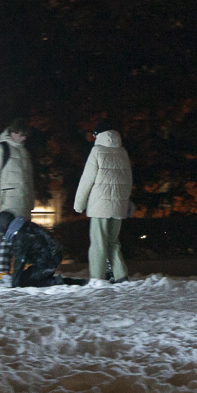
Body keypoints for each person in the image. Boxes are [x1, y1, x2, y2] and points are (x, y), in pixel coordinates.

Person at [73, 119, 133, 282]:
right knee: (113, 242)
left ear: (98, 135)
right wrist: (126, 203)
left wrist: (79, 204)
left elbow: (87, 180)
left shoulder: (97, 151)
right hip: (118, 205)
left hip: (100, 206)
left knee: (98, 243)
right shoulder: (122, 152)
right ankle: (121, 275)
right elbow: (128, 179)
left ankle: (97, 279)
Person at [0, 210, 83, 288]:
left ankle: (57, 282)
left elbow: (20, 261)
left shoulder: (19, 237)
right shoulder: (25, 226)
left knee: (24, 281)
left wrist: (15, 284)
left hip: (47, 260)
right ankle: (70, 282)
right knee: (30, 277)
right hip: (52, 255)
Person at [0, 119, 33, 221]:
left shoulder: (24, 152)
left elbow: (29, 179)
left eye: (25, 136)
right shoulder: (0, 150)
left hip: (24, 208)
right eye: (21, 135)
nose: (23, 138)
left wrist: (30, 203)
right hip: (6, 206)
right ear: (13, 132)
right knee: (7, 235)